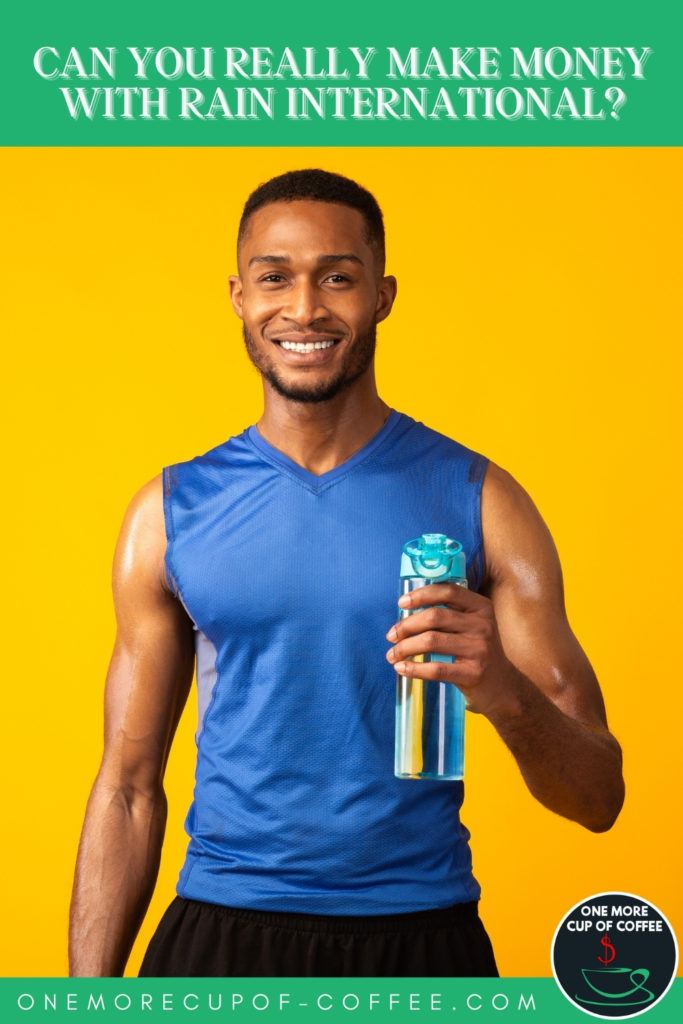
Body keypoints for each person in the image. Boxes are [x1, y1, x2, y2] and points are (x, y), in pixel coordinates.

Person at [68, 169, 624, 979]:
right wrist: (88, 1001)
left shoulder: (482, 502)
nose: (302, 309)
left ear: (383, 294)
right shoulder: (169, 512)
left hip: (421, 938)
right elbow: (125, 787)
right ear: (237, 296)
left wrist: (498, 686)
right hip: (223, 931)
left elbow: (597, 798)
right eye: (274, 278)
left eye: (337, 277)